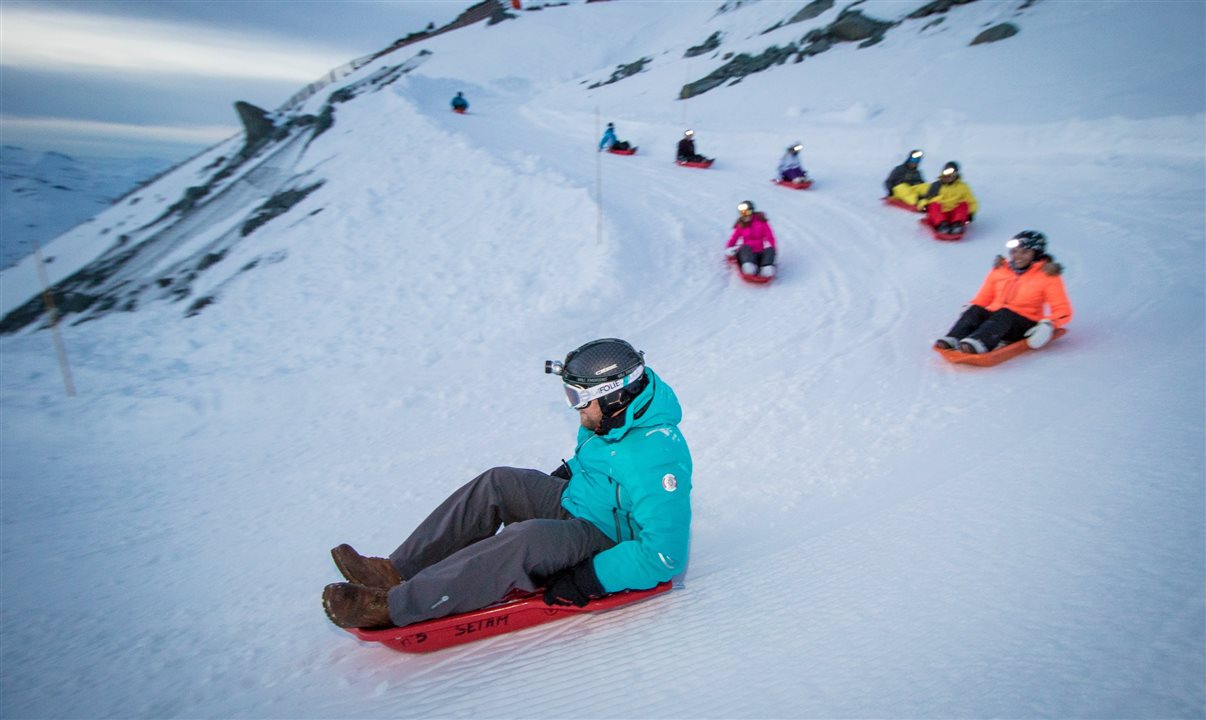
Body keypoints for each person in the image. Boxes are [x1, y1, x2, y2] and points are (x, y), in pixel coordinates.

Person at [322, 338, 693, 629]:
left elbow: (664, 555)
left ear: (615, 395)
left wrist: (591, 578)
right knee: (499, 482)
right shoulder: (614, 419)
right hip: (579, 502)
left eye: (580, 399)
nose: (575, 409)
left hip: (607, 538)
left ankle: (395, 606)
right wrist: (568, 473)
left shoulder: (657, 456)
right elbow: (601, 461)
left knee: (525, 540)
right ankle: (395, 571)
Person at [934, 231, 1073, 354]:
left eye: (1024, 252)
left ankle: (979, 343)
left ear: (1036, 255)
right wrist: (969, 311)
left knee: (1005, 313)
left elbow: (1063, 310)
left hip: (1024, 325)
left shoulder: (1047, 275)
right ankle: (954, 338)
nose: (1018, 256)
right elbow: (983, 298)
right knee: (976, 309)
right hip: (995, 321)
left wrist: (1048, 325)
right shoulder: (1000, 270)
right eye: (1014, 251)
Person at [919, 161, 978, 235]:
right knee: (933, 205)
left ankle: (957, 224)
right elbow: (926, 199)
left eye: (951, 175)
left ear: (956, 175)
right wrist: (924, 206)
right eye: (946, 174)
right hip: (941, 213)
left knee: (963, 204)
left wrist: (971, 213)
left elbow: (972, 201)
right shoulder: (936, 186)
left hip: (954, 213)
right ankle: (941, 225)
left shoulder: (962, 187)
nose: (948, 177)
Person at [725, 200, 777, 278]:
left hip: (760, 253)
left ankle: (766, 267)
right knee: (744, 247)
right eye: (743, 213)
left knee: (770, 249)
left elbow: (770, 236)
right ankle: (749, 266)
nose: (745, 215)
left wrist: (773, 250)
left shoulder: (761, 222)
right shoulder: (741, 225)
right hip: (748, 254)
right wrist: (729, 248)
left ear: (752, 212)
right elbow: (734, 238)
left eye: (747, 212)